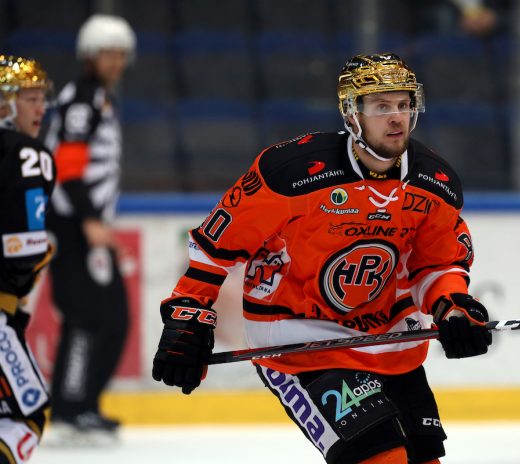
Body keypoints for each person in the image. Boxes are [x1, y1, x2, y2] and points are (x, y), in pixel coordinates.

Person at [152, 53, 494, 464]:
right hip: (300, 341)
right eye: (381, 106)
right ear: (352, 114)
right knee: (382, 459)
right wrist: (188, 312)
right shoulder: (291, 173)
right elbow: (216, 247)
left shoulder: (433, 181)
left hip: (389, 340)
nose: (396, 117)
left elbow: (436, 264)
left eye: (404, 104)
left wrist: (452, 306)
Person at [43, 14, 135, 442]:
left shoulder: (98, 98)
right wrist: (90, 220)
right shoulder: (82, 99)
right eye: (107, 53)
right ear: (89, 56)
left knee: (113, 317)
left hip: (87, 225)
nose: (116, 62)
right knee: (84, 316)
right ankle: (68, 410)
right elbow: (68, 165)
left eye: (120, 54)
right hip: (72, 225)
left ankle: (85, 405)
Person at [0, 55, 54, 463]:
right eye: (29, 98)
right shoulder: (27, 154)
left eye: (41, 98)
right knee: (28, 415)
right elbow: (24, 251)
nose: (41, 108)